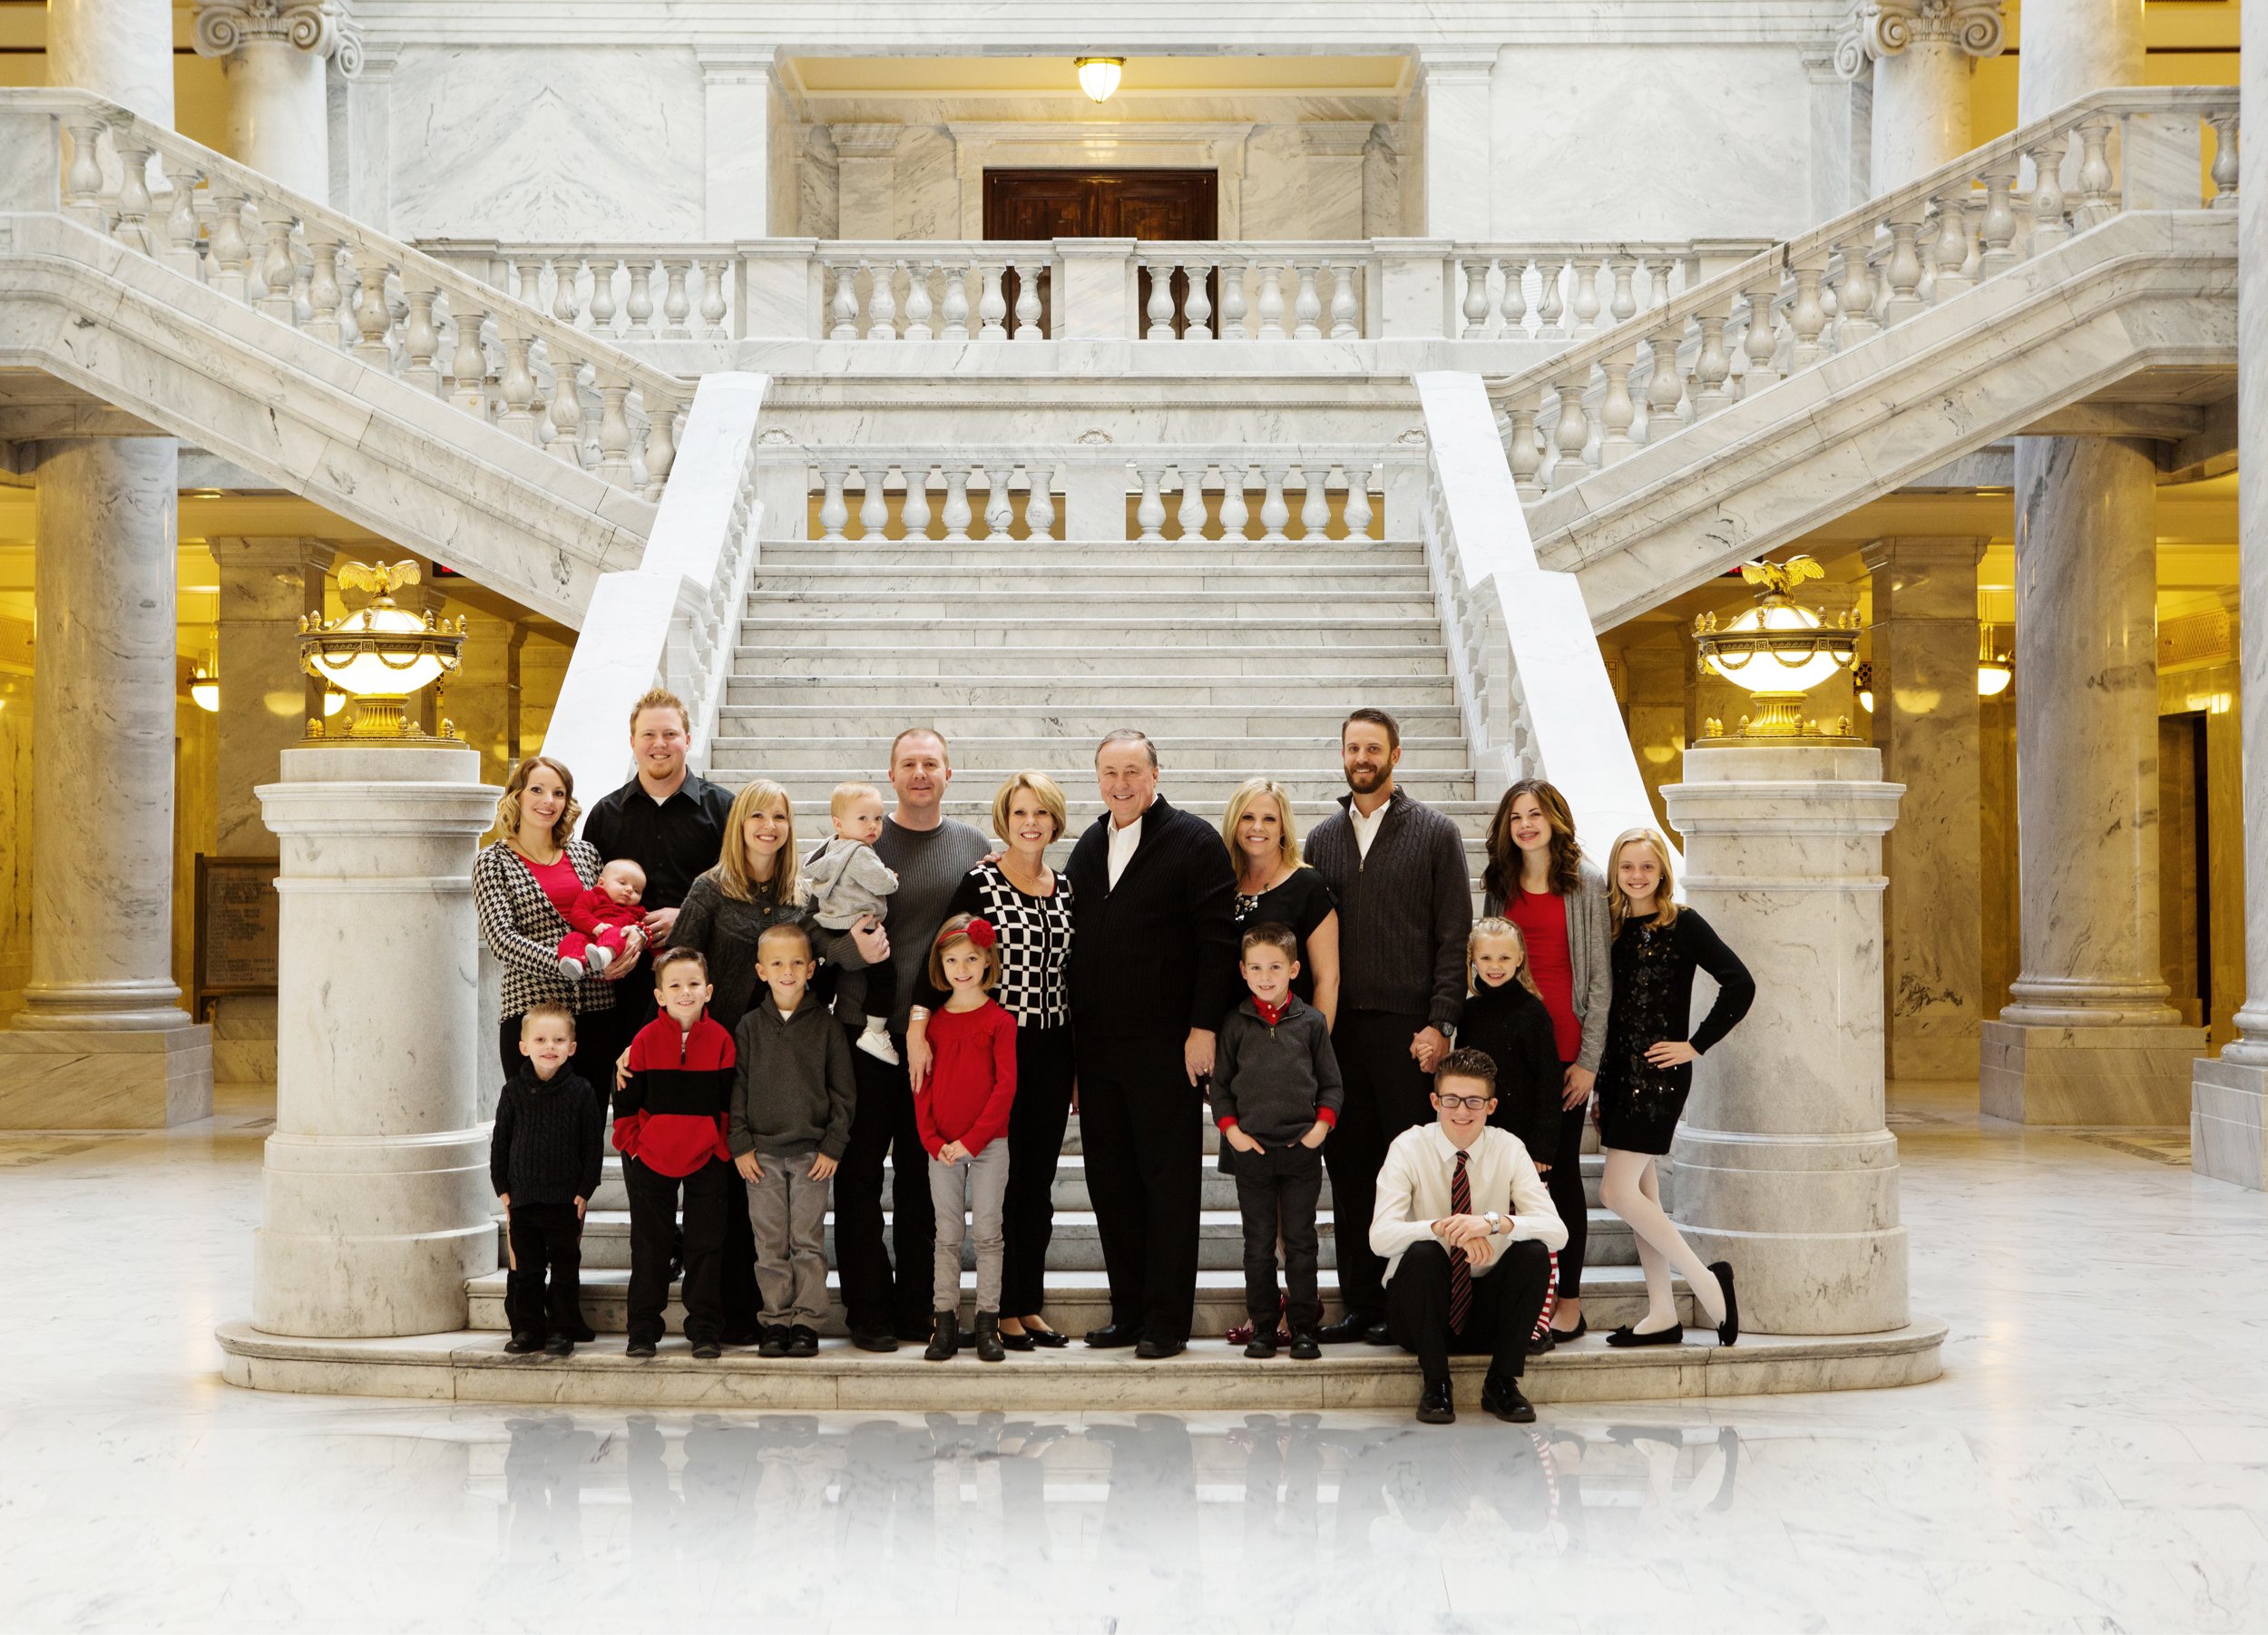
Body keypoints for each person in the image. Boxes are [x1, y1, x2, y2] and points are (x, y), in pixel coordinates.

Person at [1066, 729, 1239, 1359]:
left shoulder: (1194, 841)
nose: (1121, 783)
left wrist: (1204, 1029)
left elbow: (1219, 943)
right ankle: (1128, 1312)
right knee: (1111, 1185)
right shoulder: (1089, 845)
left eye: (1132, 770)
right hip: (1101, 1050)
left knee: (1167, 1184)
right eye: (1110, 772)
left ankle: (1166, 1320)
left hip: (1168, 1046)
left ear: (1156, 774)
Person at [1303, 708, 1472, 1346]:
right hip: (1341, 1033)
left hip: (1409, 1034)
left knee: (1408, 1173)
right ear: (1342, 755)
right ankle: (1361, 1303)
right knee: (1349, 1173)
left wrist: (1442, 1023)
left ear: (1395, 756)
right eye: (1353, 747)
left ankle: (1410, 1303)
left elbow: (1455, 935)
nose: (1362, 757)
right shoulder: (1320, 840)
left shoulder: (1435, 832)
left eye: (1374, 747)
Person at [908, 771, 1077, 1350]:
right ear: (1005, 820)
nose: (1031, 822)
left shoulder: (1066, 887)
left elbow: (1070, 977)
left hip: (1052, 1047)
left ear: (1055, 820)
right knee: (998, 1183)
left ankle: (1025, 1303)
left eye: (1041, 813)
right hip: (993, 1045)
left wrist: (1075, 1062)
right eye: (1020, 812)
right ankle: (994, 1313)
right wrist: (919, 1023)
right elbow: (942, 951)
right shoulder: (981, 880)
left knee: (1038, 1180)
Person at [836, 729, 992, 1351]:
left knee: (925, 1184)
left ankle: (916, 1310)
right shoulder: (862, 837)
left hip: (939, 1045)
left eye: (931, 763)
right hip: (864, 1037)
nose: (920, 773)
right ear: (892, 774)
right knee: (857, 1179)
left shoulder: (973, 845)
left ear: (949, 773)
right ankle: (867, 1311)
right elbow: (817, 924)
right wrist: (848, 949)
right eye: (909, 764)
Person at [1594, 827, 1755, 1351]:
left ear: (1662, 871)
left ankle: (1709, 1282)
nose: (1637, 876)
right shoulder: (1612, 925)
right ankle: (1662, 1311)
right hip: (1615, 1075)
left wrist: (1695, 1044)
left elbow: (1740, 982)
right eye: (1627, 867)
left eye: (1647, 866)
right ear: (1616, 871)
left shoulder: (1682, 924)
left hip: (1658, 1078)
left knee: (1614, 1192)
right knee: (1642, 1194)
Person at [1481, 778, 1613, 1346]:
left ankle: (1568, 1304)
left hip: (1563, 1055)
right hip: (1504, 1056)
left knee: (1557, 1182)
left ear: (1556, 819)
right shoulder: (1498, 882)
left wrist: (1588, 1063)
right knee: (1505, 1183)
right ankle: (1512, 1297)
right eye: (1516, 817)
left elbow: (1601, 984)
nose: (1526, 825)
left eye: (1536, 814)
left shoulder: (1585, 884)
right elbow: (1483, 958)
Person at [1370, 1048, 1564, 1425]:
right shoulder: (1408, 1147)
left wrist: (1494, 1224)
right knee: (1424, 1252)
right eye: (1452, 1100)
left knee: (1535, 1253)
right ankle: (1436, 1385)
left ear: (1491, 1106)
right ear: (1434, 1101)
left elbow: (1558, 1231)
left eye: (1474, 1101)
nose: (1462, 1112)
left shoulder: (1508, 1147)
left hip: (1486, 1312)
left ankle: (1502, 1383)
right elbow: (1380, 1238)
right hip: (1420, 1313)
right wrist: (1447, 1227)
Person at [1212, 924, 1341, 1361]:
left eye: (1275, 967)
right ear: (1243, 972)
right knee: (1259, 1244)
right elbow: (1221, 1086)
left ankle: (1304, 1326)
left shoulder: (1312, 1023)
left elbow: (1332, 1086)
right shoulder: (1235, 1023)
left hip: (1301, 1152)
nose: (1266, 976)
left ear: (1294, 969)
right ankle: (1265, 1325)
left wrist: (1319, 1129)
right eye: (1256, 968)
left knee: (1302, 1242)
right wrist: (1233, 1132)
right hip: (1252, 1152)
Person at [728, 922, 855, 1361]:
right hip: (759, 1156)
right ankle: (775, 1321)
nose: (787, 971)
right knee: (769, 1245)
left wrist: (833, 1145)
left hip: (811, 1156)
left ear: (812, 968)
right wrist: (739, 1144)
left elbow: (844, 1093)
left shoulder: (827, 1026)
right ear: (761, 971)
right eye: (777, 963)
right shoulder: (747, 1027)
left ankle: (806, 1323)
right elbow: (736, 1091)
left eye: (796, 963)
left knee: (807, 1241)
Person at [580, 687, 737, 1032]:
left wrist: (688, 916)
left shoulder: (725, 810)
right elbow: (587, 898)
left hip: (703, 981)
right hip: (622, 984)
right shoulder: (605, 815)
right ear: (633, 742)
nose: (659, 744)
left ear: (688, 740)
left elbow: (745, 892)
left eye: (670, 734)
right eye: (649, 734)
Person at [614, 947, 738, 1359]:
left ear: (708, 991)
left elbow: (727, 1103)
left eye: (693, 984)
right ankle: (643, 1330)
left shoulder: (721, 1040)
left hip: (707, 1157)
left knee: (706, 1244)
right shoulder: (645, 1040)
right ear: (660, 995)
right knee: (650, 1244)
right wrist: (633, 1145)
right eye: (675, 985)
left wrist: (720, 1148)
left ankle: (704, 1328)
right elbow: (626, 1101)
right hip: (651, 1157)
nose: (685, 992)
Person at [473, 754, 624, 1088]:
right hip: (533, 1017)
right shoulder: (493, 861)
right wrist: (568, 963)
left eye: (558, 793)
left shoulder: (586, 854)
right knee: (534, 1128)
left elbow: (606, 915)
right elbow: (502, 940)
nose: (548, 801)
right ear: (518, 796)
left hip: (597, 1013)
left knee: (590, 1123)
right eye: (537, 790)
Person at [1454, 916, 1569, 1352]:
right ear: (1473, 960)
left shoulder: (1532, 1013)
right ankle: (1487, 1316)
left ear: (1520, 959)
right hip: (1481, 1142)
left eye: (1504, 957)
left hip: (1526, 1147)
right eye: (1486, 957)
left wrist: (1543, 1149)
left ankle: (1538, 1324)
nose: (1495, 965)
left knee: (1536, 1235)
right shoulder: (1468, 1012)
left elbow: (1546, 1084)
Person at [915, 915, 1019, 1364]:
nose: (961, 968)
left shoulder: (999, 1021)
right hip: (941, 1147)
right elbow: (920, 1085)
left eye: (971, 959)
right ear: (941, 965)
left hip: (988, 1145)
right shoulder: (932, 1025)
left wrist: (974, 1141)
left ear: (986, 961)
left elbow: (1005, 1087)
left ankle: (987, 1324)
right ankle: (944, 1323)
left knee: (989, 1232)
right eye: (952, 960)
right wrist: (931, 1138)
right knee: (948, 1234)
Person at [491, 1002, 605, 1357]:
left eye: (558, 1040)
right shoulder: (512, 1092)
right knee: (528, 1270)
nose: (549, 1046)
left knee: (565, 1268)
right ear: (524, 1046)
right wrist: (503, 1188)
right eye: (540, 1039)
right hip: (523, 1198)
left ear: (572, 1048)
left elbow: (592, 1145)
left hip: (564, 1199)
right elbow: (501, 1142)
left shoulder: (582, 1091)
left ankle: (563, 1328)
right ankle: (528, 1329)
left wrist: (586, 1189)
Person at [1223, 777, 1340, 1023]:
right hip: (1229, 1038)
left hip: (1287, 1041)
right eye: (1247, 817)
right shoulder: (1221, 885)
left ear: (1283, 827)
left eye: (1269, 819)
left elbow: (1327, 979)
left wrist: (1314, 1046)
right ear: (1234, 823)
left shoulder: (1308, 886)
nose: (1257, 827)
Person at [802, 781, 902, 1065]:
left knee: (829, 972)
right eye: (863, 818)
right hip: (860, 921)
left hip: (833, 922)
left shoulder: (831, 848)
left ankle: (818, 1007)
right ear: (838, 822)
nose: (873, 826)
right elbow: (882, 883)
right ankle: (875, 1030)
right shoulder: (860, 852)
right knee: (884, 976)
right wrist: (890, 876)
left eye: (878, 818)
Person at [556, 858, 648, 979]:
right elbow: (578, 914)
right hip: (588, 937)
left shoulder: (637, 911)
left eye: (637, 891)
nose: (630, 889)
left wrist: (658, 955)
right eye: (622, 883)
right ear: (601, 883)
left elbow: (648, 932)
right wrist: (594, 926)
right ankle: (574, 963)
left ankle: (603, 955)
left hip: (613, 952)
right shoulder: (593, 896)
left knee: (618, 934)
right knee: (573, 938)